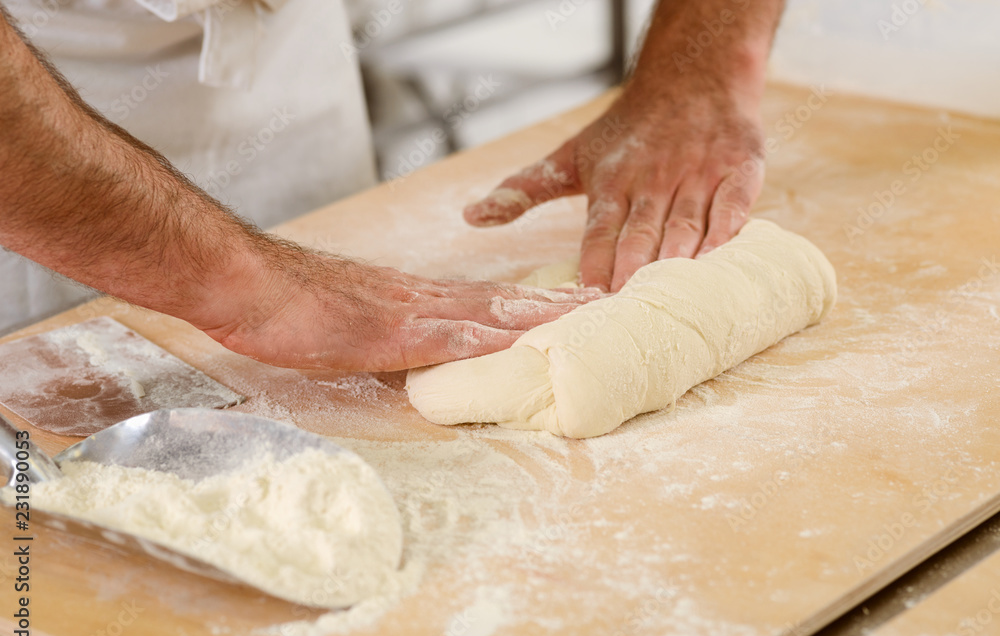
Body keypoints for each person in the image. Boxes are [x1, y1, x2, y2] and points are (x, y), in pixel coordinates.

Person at [0, 0, 785, 371]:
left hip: (281, 49)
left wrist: (704, 64)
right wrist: (259, 292)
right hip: (38, 106)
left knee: (365, 415)